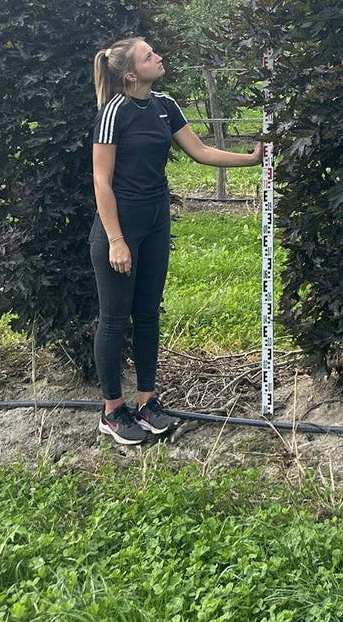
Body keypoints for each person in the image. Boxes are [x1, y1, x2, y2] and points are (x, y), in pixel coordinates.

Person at [90, 36, 263, 446]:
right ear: (131, 73)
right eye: (149, 56)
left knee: (148, 313)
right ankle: (112, 410)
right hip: (121, 227)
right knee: (115, 319)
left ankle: (147, 403)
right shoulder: (114, 111)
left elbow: (200, 151)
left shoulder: (165, 106)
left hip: (155, 223)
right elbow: (101, 179)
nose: (158, 57)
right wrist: (116, 239)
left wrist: (252, 160)